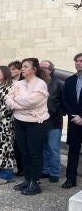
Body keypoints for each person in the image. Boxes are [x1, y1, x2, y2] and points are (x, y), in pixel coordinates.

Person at [6, 58, 50, 196]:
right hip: (20, 121)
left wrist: (17, 100)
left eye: (25, 66)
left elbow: (32, 101)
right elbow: (8, 99)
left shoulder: (40, 84)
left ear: (34, 69)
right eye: (22, 67)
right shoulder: (18, 83)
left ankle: (35, 182)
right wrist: (20, 104)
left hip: (36, 123)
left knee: (34, 153)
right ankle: (27, 179)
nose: (22, 69)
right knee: (24, 152)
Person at [40, 60, 64, 183]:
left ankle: (54, 172)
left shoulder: (58, 83)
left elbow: (63, 101)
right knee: (43, 147)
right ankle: (45, 170)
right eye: (40, 67)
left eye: (44, 67)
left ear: (51, 69)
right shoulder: (37, 83)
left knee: (53, 148)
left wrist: (57, 112)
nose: (42, 69)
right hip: (40, 121)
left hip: (54, 121)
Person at [61, 53, 82, 189]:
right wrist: (74, 116)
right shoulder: (69, 80)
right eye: (77, 61)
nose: (79, 63)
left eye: (81, 61)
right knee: (73, 152)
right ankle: (70, 179)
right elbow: (65, 100)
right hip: (74, 122)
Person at [8, 60, 25, 176]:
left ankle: (22, 168)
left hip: (20, 115)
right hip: (8, 116)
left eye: (14, 69)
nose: (11, 71)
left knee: (20, 145)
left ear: (20, 70)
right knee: (12, 144)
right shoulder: (7, 82)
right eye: (10, 69)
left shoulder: (24, 83)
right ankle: (17, 167)